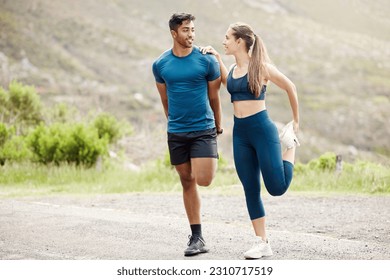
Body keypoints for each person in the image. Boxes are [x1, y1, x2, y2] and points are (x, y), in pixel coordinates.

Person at [200, 22, 300, 259]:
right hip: (241, 134)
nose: (224, 41)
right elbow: (230, 84)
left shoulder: (261, 68)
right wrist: (217, 58)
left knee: (276, 187)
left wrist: (296, 123)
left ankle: (291, 145)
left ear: (239, 42)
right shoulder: (233, 69)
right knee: (250, 189)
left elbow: (290, 87)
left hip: (262, 130)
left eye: (227, 38)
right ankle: (262, 242)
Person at [152, 13, 222, 257]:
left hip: (204, 129)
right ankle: (197, 236)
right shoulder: (160, 65)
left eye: (193, 30)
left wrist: (218, 125)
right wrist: (174, 123)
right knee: (186, 181)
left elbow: (215, 96)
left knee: (204, 179)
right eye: (186, 30)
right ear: (174, 33)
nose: (191, 34)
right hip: (177, 132)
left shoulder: (206, 61)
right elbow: (165, 99)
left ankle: (208, 156)